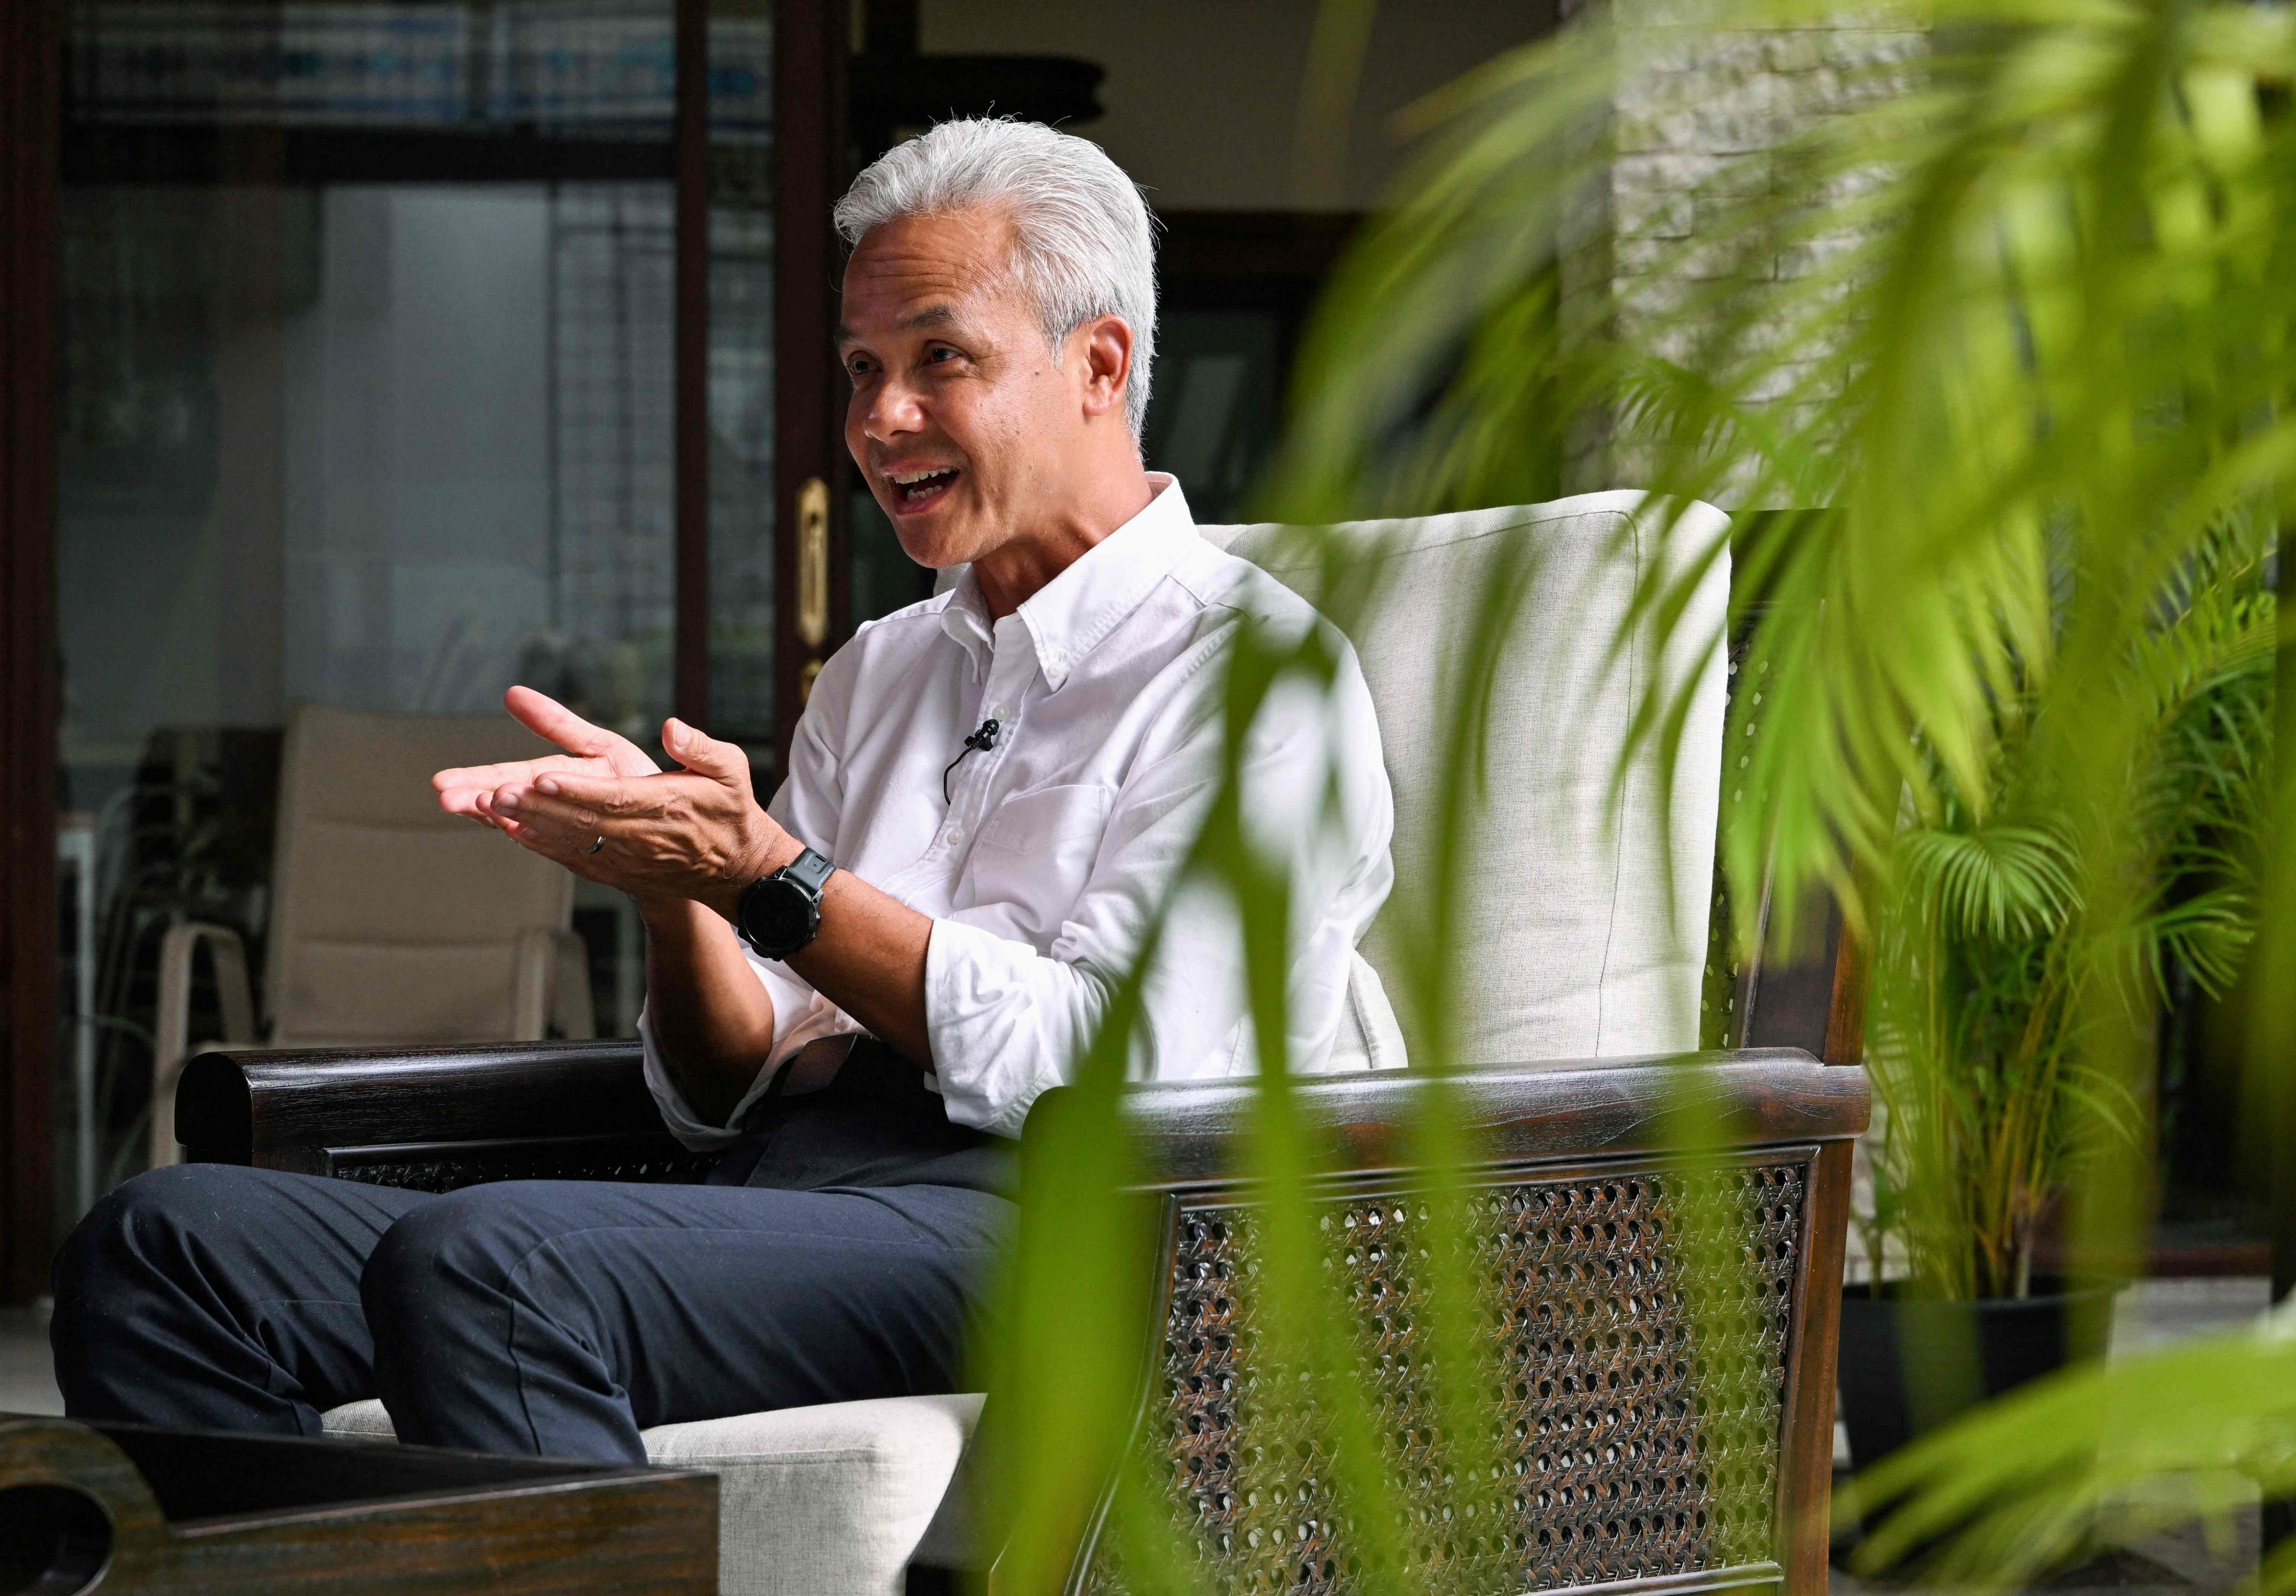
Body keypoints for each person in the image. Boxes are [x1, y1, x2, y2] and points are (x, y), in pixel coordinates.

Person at [51, 118, 1395, 1463]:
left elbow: (1122, 1078)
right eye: (862, 368)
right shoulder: (881, 671)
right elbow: (720, 1088)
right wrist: (680, 893)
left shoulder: (1256, 677)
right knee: (171, 1246)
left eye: (940, 359)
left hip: (1055, 1236)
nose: (881, 420)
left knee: (497, 1266)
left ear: (1096, 363)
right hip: (788, 1191)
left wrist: (771, 880)